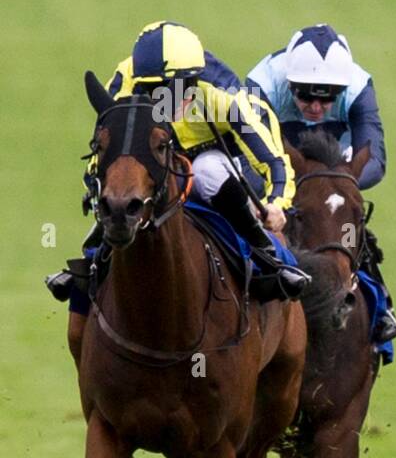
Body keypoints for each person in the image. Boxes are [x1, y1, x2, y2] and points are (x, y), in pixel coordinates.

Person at [46, 20, 308, 302]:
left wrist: (277, 203)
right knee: (121, 189)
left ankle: (266, 256)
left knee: (207, 171)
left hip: (218, 158)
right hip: (156, 157)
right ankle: (92, 262)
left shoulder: (224, 96)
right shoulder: (126, 83)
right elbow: (106, 150)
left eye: (172, 89)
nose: (162, 99)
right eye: (152, 90)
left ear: (193, 80)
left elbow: (272, 160)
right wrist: (98, 189)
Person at [246, 24, 396, 342]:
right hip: (274, 163)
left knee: (347, 227)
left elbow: (375, 162)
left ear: (341, 89)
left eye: (328, 97)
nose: (315, 107)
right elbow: (249, 158)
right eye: (304, 95)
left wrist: (335, 184)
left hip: (333, 166)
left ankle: (381, 307)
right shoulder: (261, 84)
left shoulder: (358, 87)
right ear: (288, 83)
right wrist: (284, 191)